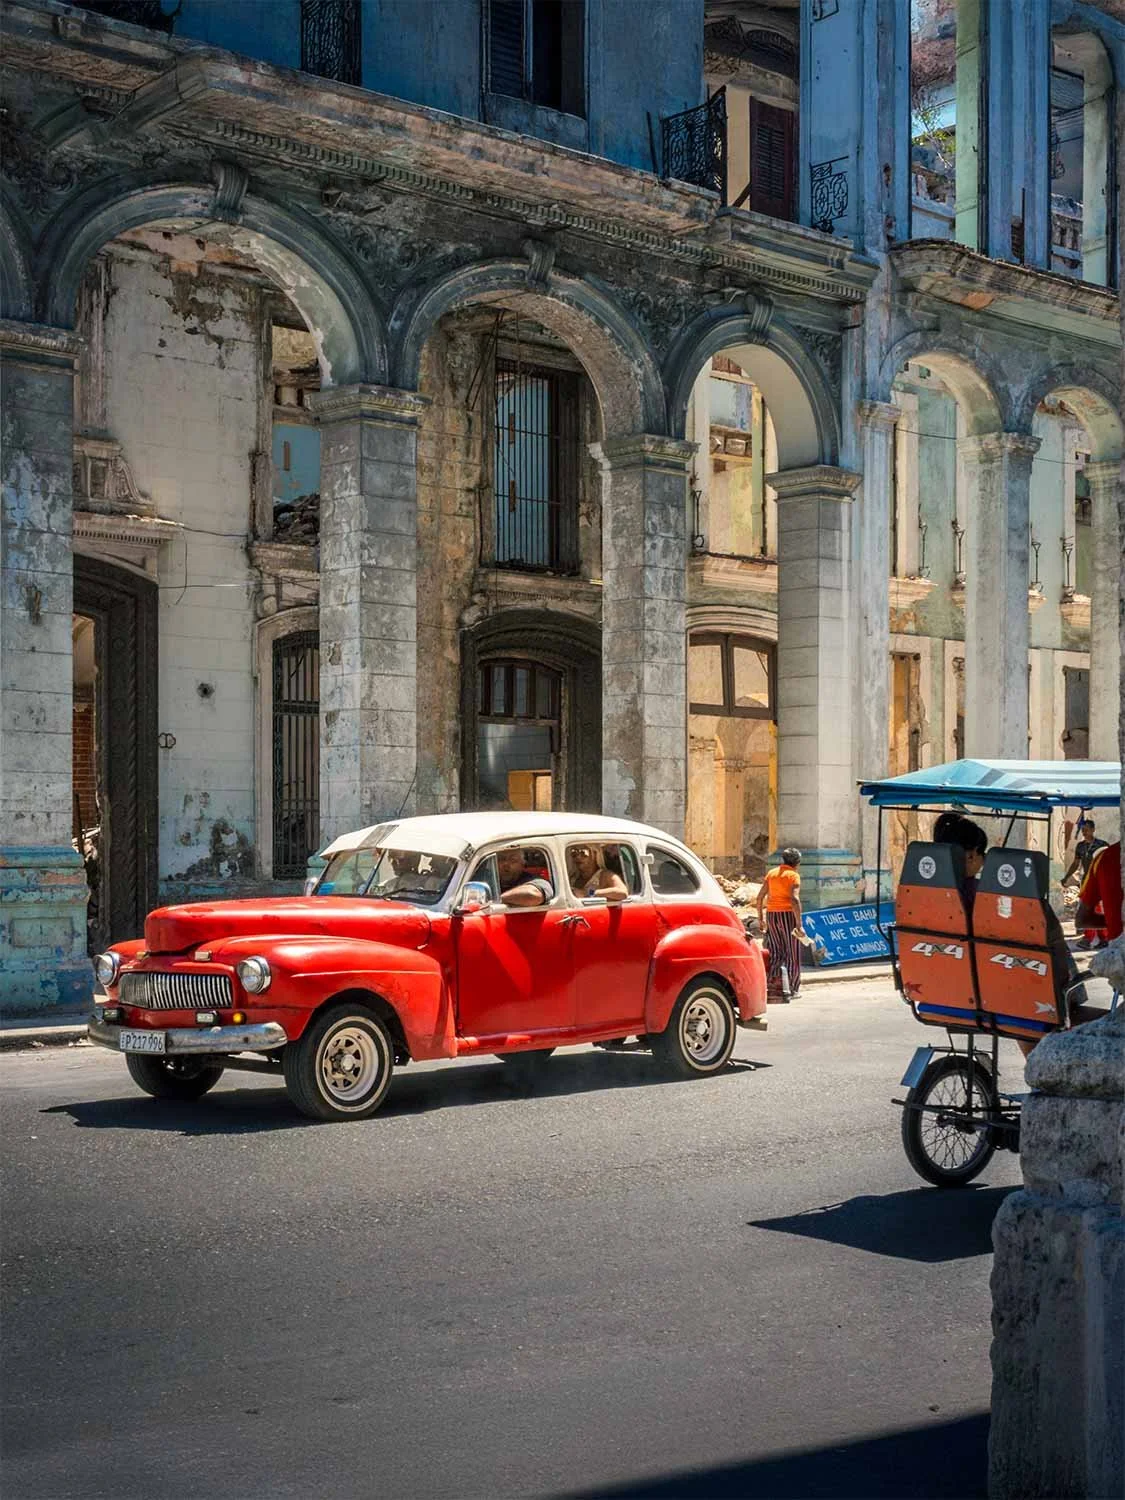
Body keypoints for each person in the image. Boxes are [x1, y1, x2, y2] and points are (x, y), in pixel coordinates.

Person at [756, 848, 805, 1002]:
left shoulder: (772, 873)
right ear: (797, 862)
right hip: (787, 915)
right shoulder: (793, 875)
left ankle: (773, 987)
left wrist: (760, 918)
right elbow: (794, 900)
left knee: (776, 952)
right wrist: (799, 924)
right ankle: (792, 988)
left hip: (772, 915)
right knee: (792, 953)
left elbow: (760, 897)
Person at [1062, 818, 1108, 947]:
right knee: (1090, 908)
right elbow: (1076, 864)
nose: (1084, 832)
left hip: (1099, 881)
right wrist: (1067, 877)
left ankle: (1092, 939)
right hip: (1086, 881)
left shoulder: (1102, 845)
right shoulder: (1081, 846)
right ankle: (1101, 938)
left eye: (1086, 829)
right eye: (1083, 830)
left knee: (1094, 909)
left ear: (1093, 830)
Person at [1075, 840, 1123, 945]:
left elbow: (1081, 919)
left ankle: (1098, 939)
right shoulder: (1082, 847)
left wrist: (1115, 922)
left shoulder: (1105, 856)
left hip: (1119, 952)